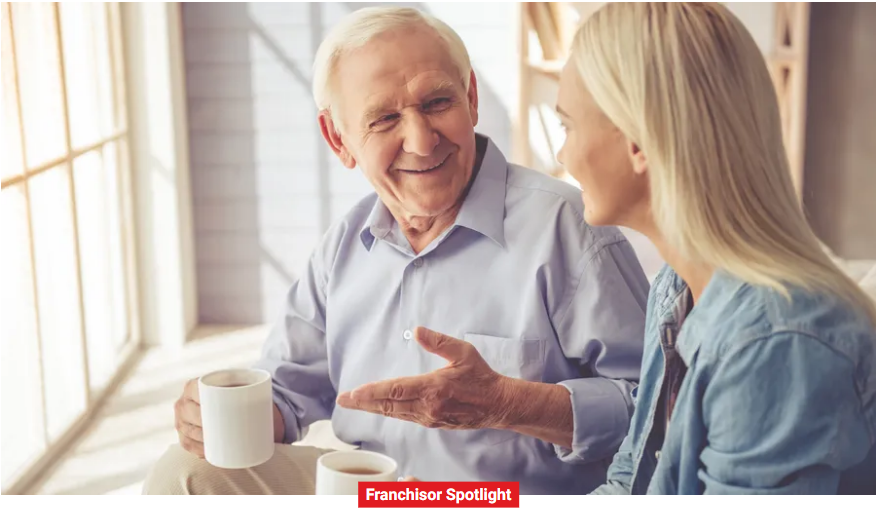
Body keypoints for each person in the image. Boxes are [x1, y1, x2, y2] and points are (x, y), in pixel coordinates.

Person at [142, 6, 650, 495]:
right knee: (185, 471)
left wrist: (508, 404)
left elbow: (658, 412)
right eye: (384, 118)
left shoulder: (570, 228)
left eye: (437, 103)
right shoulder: (344, 244)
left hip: (495, 498)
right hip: (373, 492)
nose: (422, 141)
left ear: (471, 98)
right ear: (337, 138)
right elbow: (288, 390)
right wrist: (220, 421)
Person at [406, 1, 876, 494]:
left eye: (567, 125)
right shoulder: (677, 289)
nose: (563, 153)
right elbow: (633, 482)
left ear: (637, 141)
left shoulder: (776, 344)